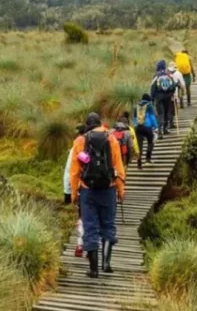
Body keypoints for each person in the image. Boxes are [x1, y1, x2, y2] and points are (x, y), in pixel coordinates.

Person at [69, 112, 126, 277]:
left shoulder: (80, 141)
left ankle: (93, 269)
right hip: (109, 189)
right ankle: (106, 264)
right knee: (108, 225)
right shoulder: (112, 139)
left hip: (88, 190)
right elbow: (118, 167)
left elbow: (74, 172)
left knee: (90, 227)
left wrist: (74, 194)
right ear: (100, 124)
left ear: (87, 125)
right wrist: (121, 190)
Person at [63, 124, 87, 256]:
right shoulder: (106, 140)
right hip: (102, 190)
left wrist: (69, 193)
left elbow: (71, 171)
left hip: (83, 189)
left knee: (82, 217)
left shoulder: (77, 146)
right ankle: (93, 249)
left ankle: (80, 244)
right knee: (96, 219)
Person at [150, 60, 177, 136]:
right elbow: (173, 86)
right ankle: (165, 129)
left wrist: (152, 98)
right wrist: (171, 94)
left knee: (160, 113)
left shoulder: (156, 75)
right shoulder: (168, 74)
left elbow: (153, 87)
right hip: (168, 97)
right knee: (166, 112)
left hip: (159, 98)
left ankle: (159, 131)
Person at [133, 94, 157, 168]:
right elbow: (152, 117)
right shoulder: (149, 106)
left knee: (139, 145)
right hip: (147, 127)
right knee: (150, 142)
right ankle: (147, 159)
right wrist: (155, 126)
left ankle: (139, 164)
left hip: (138, 127)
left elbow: (134, 118)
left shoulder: (136, 106)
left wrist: (135, 126)